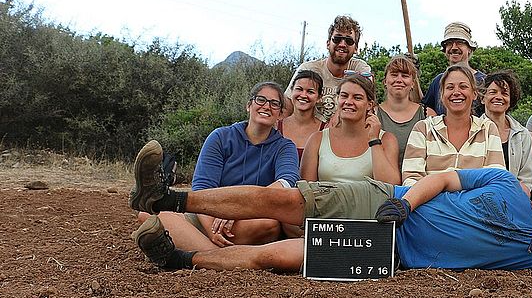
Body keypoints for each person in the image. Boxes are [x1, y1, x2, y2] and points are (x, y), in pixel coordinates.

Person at [129, 140, 532, 280]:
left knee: (280, 257)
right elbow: (443, 178)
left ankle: (181, 260)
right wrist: (404, 203)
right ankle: (169, 198)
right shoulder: (502, 181)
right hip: (388, 208)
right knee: (286, 198)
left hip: (389, 251)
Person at [137, 82, 299, 251]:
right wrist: (212, 227)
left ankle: (196, 250)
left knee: (268, 225)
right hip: (209, 214)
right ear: (248, 105)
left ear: (280, 114)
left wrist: (236, 211)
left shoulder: (285, 147)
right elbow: (201, 188)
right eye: (261, 100)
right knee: (148, 215)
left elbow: (286, 182)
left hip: (250, 218)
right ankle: (218, 255)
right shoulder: (221, 136)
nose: (266, 106)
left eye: (274, 103)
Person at [402, 63, 505, 186]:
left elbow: (495, 179)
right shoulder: (423, 128)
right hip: (431, 204)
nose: (456, 92)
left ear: (474, 94)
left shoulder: (487, 129)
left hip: (474, 205)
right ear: (442, 95)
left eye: (463, 86)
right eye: (450, 87)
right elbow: (411, 179)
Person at [300, 72, 400, 185]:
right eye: (344, 96)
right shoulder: (317, 139)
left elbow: (390, 186)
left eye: (357, 98)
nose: (348, 102)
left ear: (369, 105)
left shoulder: (386, 140)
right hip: (326, 201)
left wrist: (374, 140)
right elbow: (306, 190)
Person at [286, 15, 371, 123]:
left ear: (356, 49)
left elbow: (368, 106)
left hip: (344, 134)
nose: (342, 44)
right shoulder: (309, 69)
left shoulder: (360, 69)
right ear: (328, 43)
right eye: (337, 39)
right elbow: (287, 107)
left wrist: (338, 114)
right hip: (311, 133)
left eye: (349, 41)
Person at [479, 70, 532, 193]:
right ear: (483, 98)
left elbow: (527, 177)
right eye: (493, 92)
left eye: (504, 93)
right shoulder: (472, 130)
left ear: (510, 100)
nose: (498, 97)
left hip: (512, 197)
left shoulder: (522, 134)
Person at [376, 54, 436, 161]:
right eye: (394, 75)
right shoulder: (373, 114)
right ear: (385, 81)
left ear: (413, 83)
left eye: (405, 76)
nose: (399, 80)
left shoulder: (428, 115)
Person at [420, 22, 485, 115]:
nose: (454, 47)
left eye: (459, 42)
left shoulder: (484, 81)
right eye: (449, 43)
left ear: (469, 48)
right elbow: (423, 109)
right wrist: (413, 75)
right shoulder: (438, 81)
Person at [277, 69, 324, 160]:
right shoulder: (275, 127)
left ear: (319, 97)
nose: (303, 95)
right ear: (291, 91)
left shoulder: (325, 131)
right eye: (299, 89)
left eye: (310, 92)